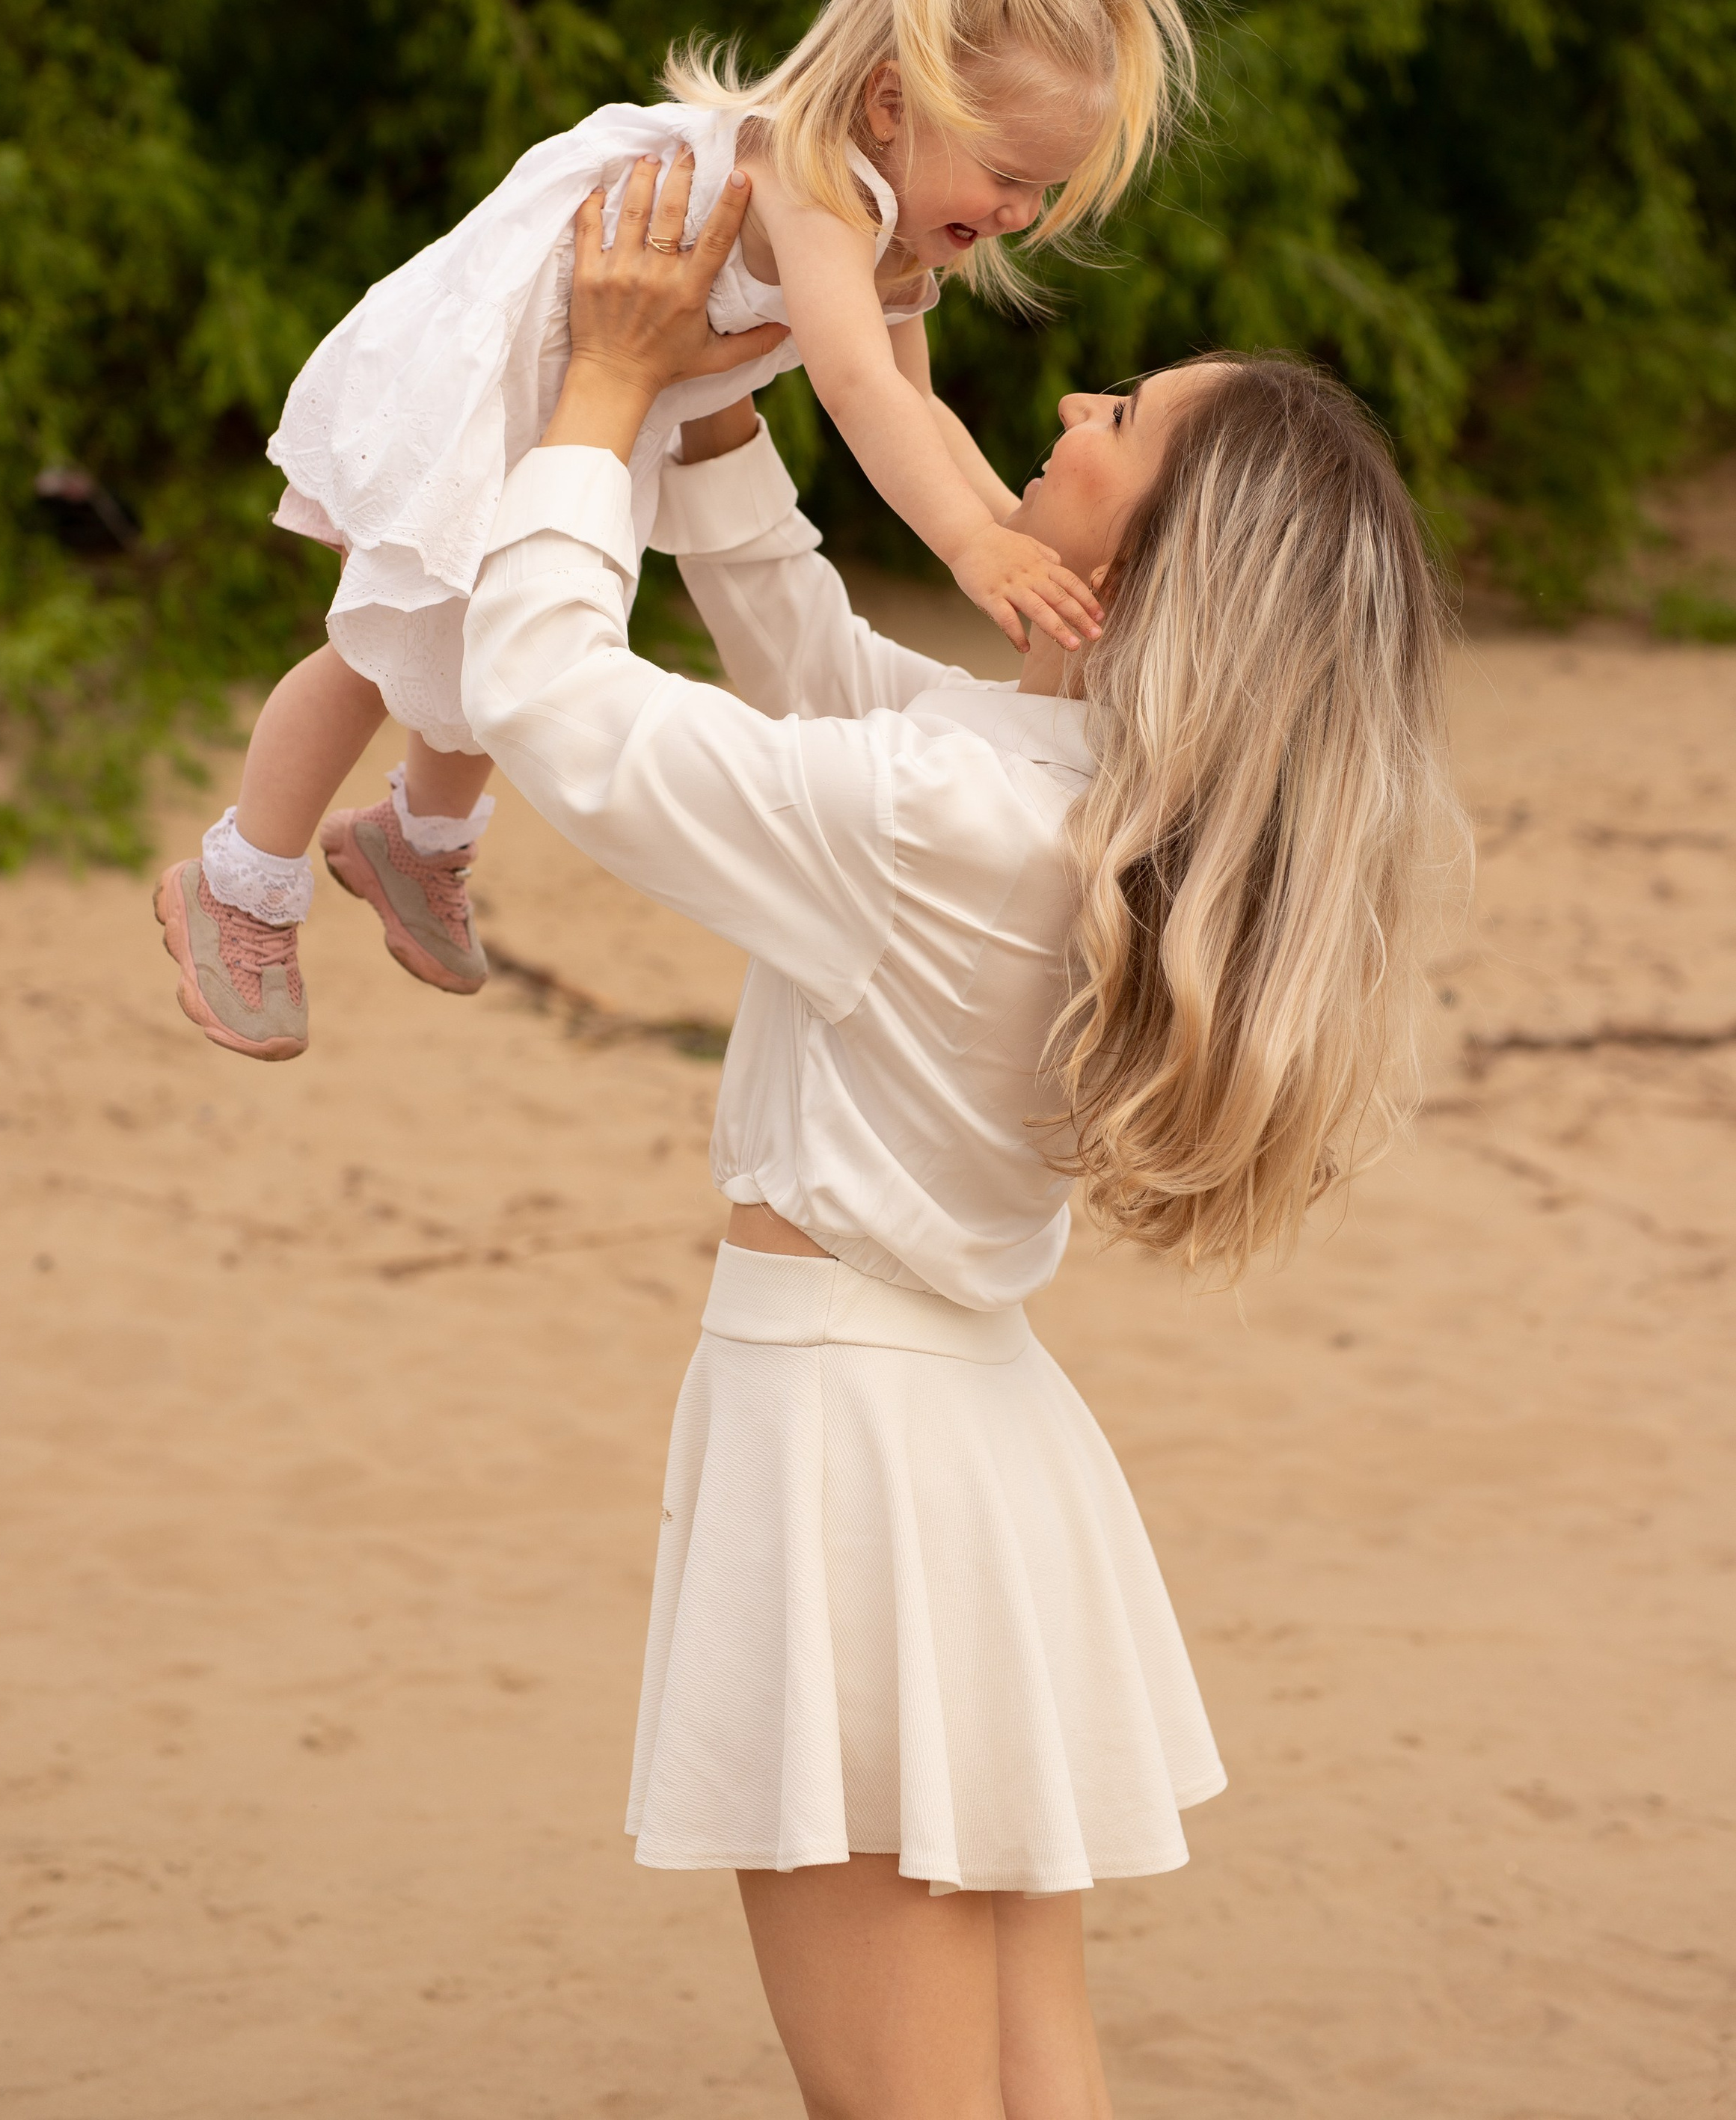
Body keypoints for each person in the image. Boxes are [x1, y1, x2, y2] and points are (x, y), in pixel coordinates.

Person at [459, 162, 1462, 2120]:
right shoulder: (1065, 798)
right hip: (972, 1442)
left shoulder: (956, 822)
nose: (1072, 414)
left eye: (1121, 422)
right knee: (1026, 2082)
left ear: (1144, 560)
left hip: (848, 1445)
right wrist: (725, 409)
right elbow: (821, 670)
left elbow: (548, 702)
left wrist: (599, 400)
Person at [153, 0, 1194, 1059]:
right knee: (385, 639)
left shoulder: (902, 236)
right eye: (1009, 173)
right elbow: (857, 392)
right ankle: (241, 880)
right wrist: (968, 544)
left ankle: (413, 840)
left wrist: (1012, 529)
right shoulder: (817, 181)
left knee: (501, 617)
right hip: (504, 372)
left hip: (604, 398)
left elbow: (923, 408)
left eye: (1044, 191)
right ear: (893, 105)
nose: (1021, 213)